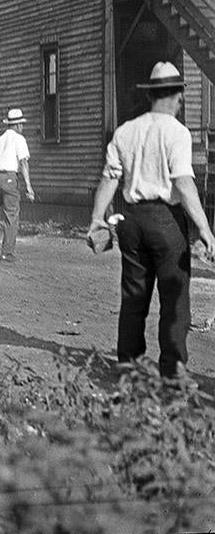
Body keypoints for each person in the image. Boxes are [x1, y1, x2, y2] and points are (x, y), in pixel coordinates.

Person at [88, 61, 215, 380]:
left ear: (151, 95)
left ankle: (128, 363)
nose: (181, 102)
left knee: (133, 294)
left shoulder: (125, 131)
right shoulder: (177, 132)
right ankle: (172, 370)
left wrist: (96, 219)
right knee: (174, 298)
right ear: (174, 96)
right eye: (180, 96)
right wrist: (203, 227)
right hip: (165, 221)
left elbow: (110, 178)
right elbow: (184, 184)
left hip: (131, 219)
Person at [0, 108, 36, 262]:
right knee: (12, 214)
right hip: (8, 176)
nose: (22, 128)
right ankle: (7, 253)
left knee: (0, 195)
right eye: (21, 125)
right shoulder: (19, 139)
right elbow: (24, 162)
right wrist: (29, 187)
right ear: (17, 125)